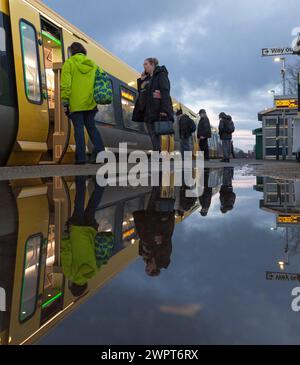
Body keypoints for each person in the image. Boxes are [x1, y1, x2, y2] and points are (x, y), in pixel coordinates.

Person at [61, 176, 114, 297]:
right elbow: (66, 253)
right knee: (79, 202)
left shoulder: (94, 270)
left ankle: (101, 183)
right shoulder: (70, 274)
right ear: (73, 285)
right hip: (77, 231)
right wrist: (65, 237)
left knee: (92, 206)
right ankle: (81, 171)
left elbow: (99, 253)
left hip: (90, 230)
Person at [61, 42, 105, 164]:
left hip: (76, 104)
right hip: (90, 103)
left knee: (79, 130)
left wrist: (65, 102)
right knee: (92, 128)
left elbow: (65, 85)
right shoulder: (93, 65)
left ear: (72, 52)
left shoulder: (69, 63)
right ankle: (101, 154)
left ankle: (81, 158)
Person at [132, 58, 174, 152]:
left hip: (156, 109)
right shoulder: (148, 78)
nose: (144, 66)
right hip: (147, 110)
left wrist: (164, 110)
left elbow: (165, 91)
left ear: (152, 64)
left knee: (155, 134)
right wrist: (141, 80)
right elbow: (142, 92)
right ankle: (157, 154)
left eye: (146, 64)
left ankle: (157, 155)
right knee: (152, 134)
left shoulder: (160, 75)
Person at [134, 187, 175, 277]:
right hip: (160, 221)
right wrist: (162, 237)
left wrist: (144, 253)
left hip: (150, 220)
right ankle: (163, 176)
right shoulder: (163, 258)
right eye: (148, 269)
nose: (146, 266)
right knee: (161, 193)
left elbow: (142, 241)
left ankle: (160, 177)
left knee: (154, 195)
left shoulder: (147, 257)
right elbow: (167, 241)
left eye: (146, 268)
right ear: (154, 269)